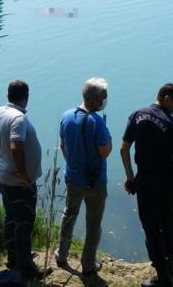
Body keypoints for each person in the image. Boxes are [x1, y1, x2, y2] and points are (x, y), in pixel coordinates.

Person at [120, 83, 173, 287]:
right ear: (166, 98)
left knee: (152, 230)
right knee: (168, 226)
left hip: (144, 183)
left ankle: (162, 274)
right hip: (168, 185)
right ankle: (167, 274)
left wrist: (130, 176)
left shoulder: (136, 115)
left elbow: (124, 149)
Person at [0, 80, 51, 281]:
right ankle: (26, 270)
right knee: (24, 224)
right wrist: (22, 174)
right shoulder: (18, 118)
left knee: (11, 219)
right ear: (26, 96)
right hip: (17, 183)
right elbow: (16, 146)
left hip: (2, 177)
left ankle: (14, 259)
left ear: (8, 95)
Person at [54, 78, 112, 276]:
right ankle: (88, 265)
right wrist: (108, 135)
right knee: (93, 224)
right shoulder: (97, 122)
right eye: (103, 97)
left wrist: (73, 165)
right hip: (95, 183)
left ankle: (61, 255)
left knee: (68, 216)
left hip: (72, 178)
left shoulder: (66, 116)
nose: (105, 100)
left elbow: (63, 146)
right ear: (95, 98)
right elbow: (104, 152)